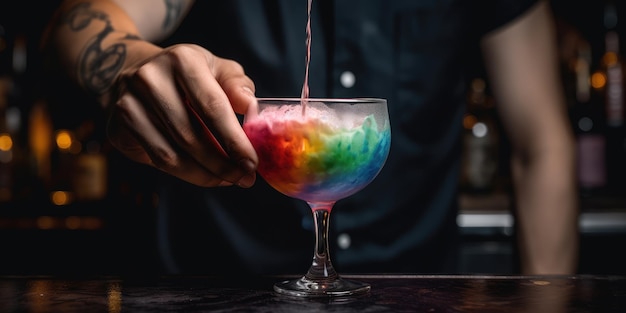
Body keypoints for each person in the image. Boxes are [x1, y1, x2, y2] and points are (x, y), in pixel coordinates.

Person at [41, 0, 579, 276]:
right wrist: (133, 65)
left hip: (414, 294)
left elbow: (543, 146)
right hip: (222, 289)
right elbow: (75, 22)